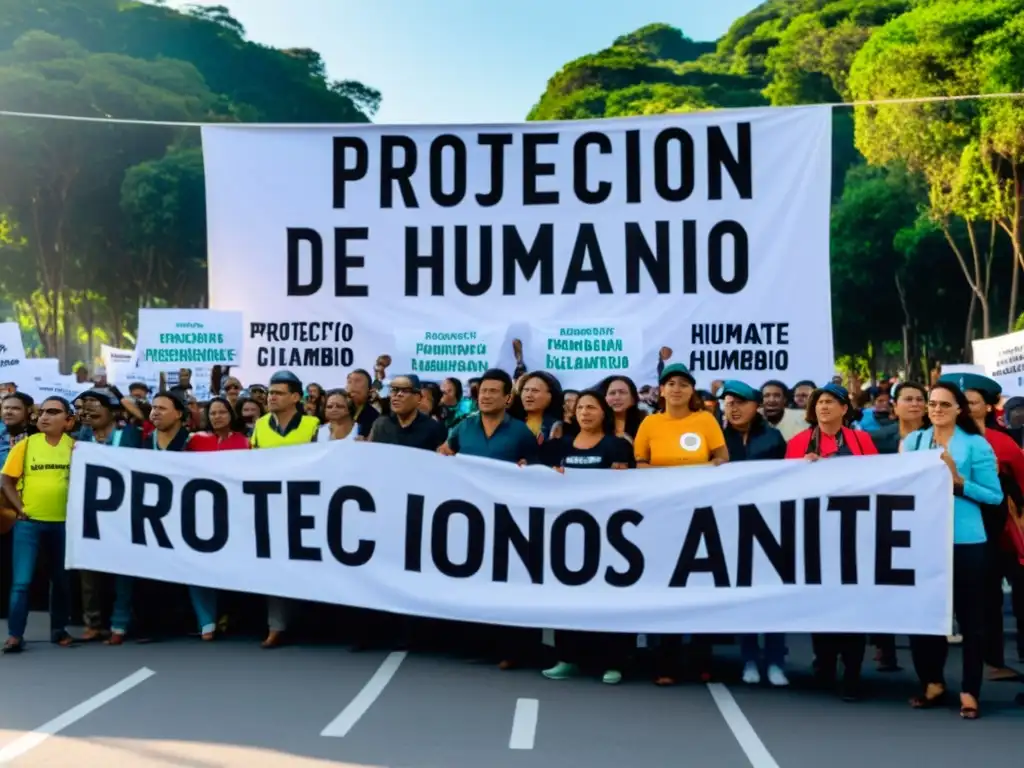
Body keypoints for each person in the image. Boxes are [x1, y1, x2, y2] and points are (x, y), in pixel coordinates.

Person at [903, 380, 1003, 719]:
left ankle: (969, 691)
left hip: (965, 541)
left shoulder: (975, 445)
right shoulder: (914, 442)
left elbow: (995, 496)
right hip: (923, 539)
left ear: (959, 409)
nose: (936, 410)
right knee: (923, 614)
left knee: (971, 619)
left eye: (944, 405)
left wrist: (959, 482)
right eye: (932, 404)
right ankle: (932, 681)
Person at [633, 363, 728, 685]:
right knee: (666, 585)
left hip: (700, 514)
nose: (676, 389)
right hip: (662, 516)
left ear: (692, 391)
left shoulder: (705, 421)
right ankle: (666, 663)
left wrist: (705, 472)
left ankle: (703, 661)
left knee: (701, 584)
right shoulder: (649, 423)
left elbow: (722, 458)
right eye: (670, 383)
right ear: (661, 390)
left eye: (683, 384)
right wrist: (665, 479)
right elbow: (640, 463)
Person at [786, 383, 877, 700]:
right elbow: (784, 485)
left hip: (855, 533)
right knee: (821, 602)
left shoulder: (862, 441)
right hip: (816, 532)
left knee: (854, 605)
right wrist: (802, 468)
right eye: (819, 402)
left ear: (844, 409)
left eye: (830, 402)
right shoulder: (799, 442)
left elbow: (880, 478)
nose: (823, 407)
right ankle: (823, 665)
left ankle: (852, 672)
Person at [542, 391, 634, 686]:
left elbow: (627, 484)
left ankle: (613, 662)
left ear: (603, 413)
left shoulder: (617, 446)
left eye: (591, 407)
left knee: (609, 601)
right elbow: (538, 478)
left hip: (609, 535)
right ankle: (567, 657)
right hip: (569, 535)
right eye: (580, 407)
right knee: (568, 599)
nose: (584, 412)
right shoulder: (560, 445)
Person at [949, 372, 1024, 679]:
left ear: (987, 407)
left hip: (1004, 533)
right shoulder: (943, 440)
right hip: (966, 533)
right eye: (962, 402)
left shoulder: (1002, 444)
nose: (967, 407)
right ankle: (992, 660)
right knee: (983, 598)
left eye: (973, 402)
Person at [718, 381, 788, 686]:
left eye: (740, 402)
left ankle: (775, 660)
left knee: (772, 595)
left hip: (769, 524)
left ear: (755, 405)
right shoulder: (718, 439)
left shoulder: (773, 438)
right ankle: (748, 657)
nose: (733, 408)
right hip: (729, 525)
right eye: (728, 403)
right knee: (744, 594)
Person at [250, 370, 320, 648]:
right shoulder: (261, 425)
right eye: (270, 392)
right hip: (270, 504)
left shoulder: (313, 424)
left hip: (306, 505)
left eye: (278, 393)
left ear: (295, 397)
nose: (271, 397)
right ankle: (275, 626)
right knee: (274, 566)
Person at [1, 397, 75, 653]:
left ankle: (59, 630)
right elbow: (7, 481)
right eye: (42, 412)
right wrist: (20, 509)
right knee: (21, 582)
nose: (44, 417)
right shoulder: (25, 446)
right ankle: (14, 635)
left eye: (53, 412)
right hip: (29, 524)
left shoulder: (76, 447)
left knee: (62, 580)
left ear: (68, 420)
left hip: (65, 524)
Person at [75, 388, 142, 645]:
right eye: (86, 405)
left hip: (124, 513)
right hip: (91, 513)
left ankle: (119, 623)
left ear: (112, 411)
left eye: (96, 404)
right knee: (88, 572)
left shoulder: (129, 435)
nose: (89, 410)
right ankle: (92, 623)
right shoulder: (83, 435)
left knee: (123, 571)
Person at [184, 396, 250, 639]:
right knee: (198, 567)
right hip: (200, 513)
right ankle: (206, 621)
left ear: (231, 415)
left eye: (222, 412)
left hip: (234, 513)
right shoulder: (195, 442)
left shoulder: (245, 442)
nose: (217, 416)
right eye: (212, 413)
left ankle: (231, 617)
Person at [440, 369, 539, 466]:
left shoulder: (521, 432)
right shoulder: (463, 427)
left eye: (493, 391)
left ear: (508, 399)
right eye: (483, 391)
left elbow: (534, 467)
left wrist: (526, 467)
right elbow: (444, 453)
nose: (486, 396)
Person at [369, 375, 447, 451]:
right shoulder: (381, 425)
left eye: (405, 391)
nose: (398, 395)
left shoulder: (434, 429)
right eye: (394, 390)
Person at [598, 375, 646, 442]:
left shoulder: (646, 423)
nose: (617, 397)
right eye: (612, 393)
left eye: (622, 392)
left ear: (633, 398)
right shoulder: (596, 425)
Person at [347, 369, 380, 438]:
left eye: (357, 381)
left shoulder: (375, 419)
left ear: (369, 389)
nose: (352, 385)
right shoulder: (339, 411)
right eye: (349, 382)